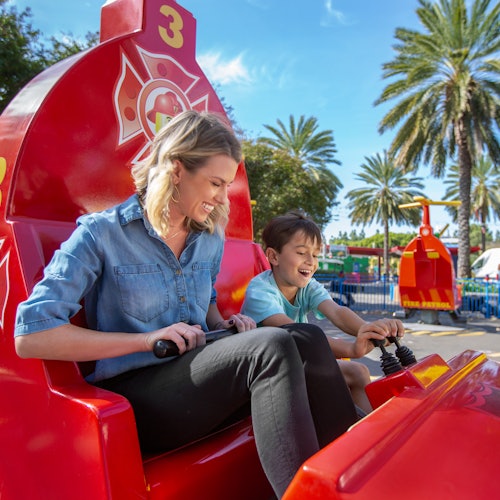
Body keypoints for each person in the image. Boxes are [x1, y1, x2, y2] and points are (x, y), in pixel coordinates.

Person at [14, 111, 362, 498]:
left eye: (226, 185)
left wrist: (227, 325)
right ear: (177, 169)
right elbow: (32, 334)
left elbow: (205, 301)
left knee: (306, 336)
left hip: (195, 380)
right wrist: (146, 341)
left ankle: (352, 478)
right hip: (139, 398)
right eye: (215, 183)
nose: (221, 197)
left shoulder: (208, 238)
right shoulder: (102, 234)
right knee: (273, 346)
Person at [241, 211, 405, 414]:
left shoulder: (307, 286)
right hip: (261, 371)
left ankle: (366, 433)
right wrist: (351, 350)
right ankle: (365, 439)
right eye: (301, 253)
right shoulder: (260, 291)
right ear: (273, 256)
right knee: (356, 371)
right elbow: (297, 333)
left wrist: (371, 330)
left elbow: (336, 312)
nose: (311, 261)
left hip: (292, 361)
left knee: (357, 372)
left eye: (316, 255)